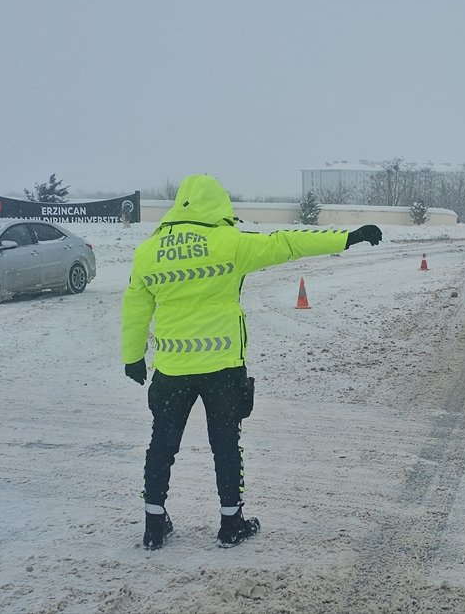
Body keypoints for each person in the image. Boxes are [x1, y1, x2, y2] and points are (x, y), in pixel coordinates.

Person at [121, 174, 382, 550]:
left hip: (172, 369)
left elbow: (134, 308)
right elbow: (288, 244)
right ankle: (231, 524)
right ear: (219, 205)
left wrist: (133, 358)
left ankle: (153, 525)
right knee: (226, 445)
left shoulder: (148, 251)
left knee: (161, 445)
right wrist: (348, 237)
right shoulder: (230, 243)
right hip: (222, 367)